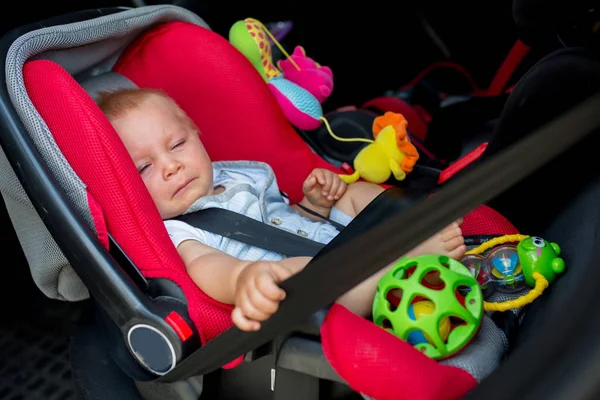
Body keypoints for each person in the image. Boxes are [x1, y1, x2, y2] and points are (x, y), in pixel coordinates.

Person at [98, 88, 466, 332]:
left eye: (177, 143)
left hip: (328, 240)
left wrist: (315, 205)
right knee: (299, 273)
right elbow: (204, 265)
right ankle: (409, 260)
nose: (171, 166)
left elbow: (285, 220)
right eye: (144, 167)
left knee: (353, 194)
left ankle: (413, 223)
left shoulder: (238, 173)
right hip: (305, 290)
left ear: (197, 133)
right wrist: (243, 278)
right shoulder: (178, 229)